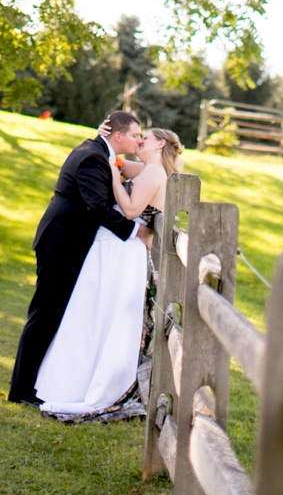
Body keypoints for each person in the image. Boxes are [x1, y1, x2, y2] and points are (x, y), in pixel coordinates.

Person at [33, 125, 183, 417]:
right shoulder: (148, 167)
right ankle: (75, 380)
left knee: (104, 315)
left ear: (160, 144)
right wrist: (103, 132)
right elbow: (114, 156)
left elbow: (129, 210)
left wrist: (114, 179)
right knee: (95, 313)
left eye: (146, 138)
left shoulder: (153, 173)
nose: (140, 140)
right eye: (137, 135)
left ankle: (96, 385)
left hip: (123, 252)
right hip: (116, 248)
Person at [8, 110, 147, 405]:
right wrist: (137, 232)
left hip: (67, 243)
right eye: (135, 135)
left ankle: (34, 384)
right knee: (44, 315)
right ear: (118, 136)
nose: (139, 139)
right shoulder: (93, 157)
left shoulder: (100, 152)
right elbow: (97, 207)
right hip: (60, 244)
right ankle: (21, 390)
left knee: (52, 315)